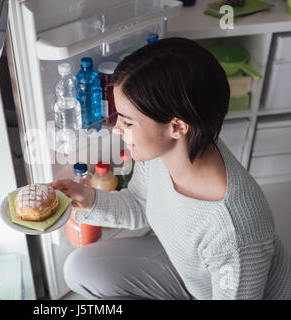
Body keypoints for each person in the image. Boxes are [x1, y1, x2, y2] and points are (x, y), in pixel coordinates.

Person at [49, 38, 291, 300]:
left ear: (176, 127)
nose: (117, 128)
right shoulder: (164, 151)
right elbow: (142, 203)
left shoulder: (236, 233)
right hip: (191, 273)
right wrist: (87, 200)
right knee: (80, 268)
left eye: (128, 123)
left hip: (223, 293)